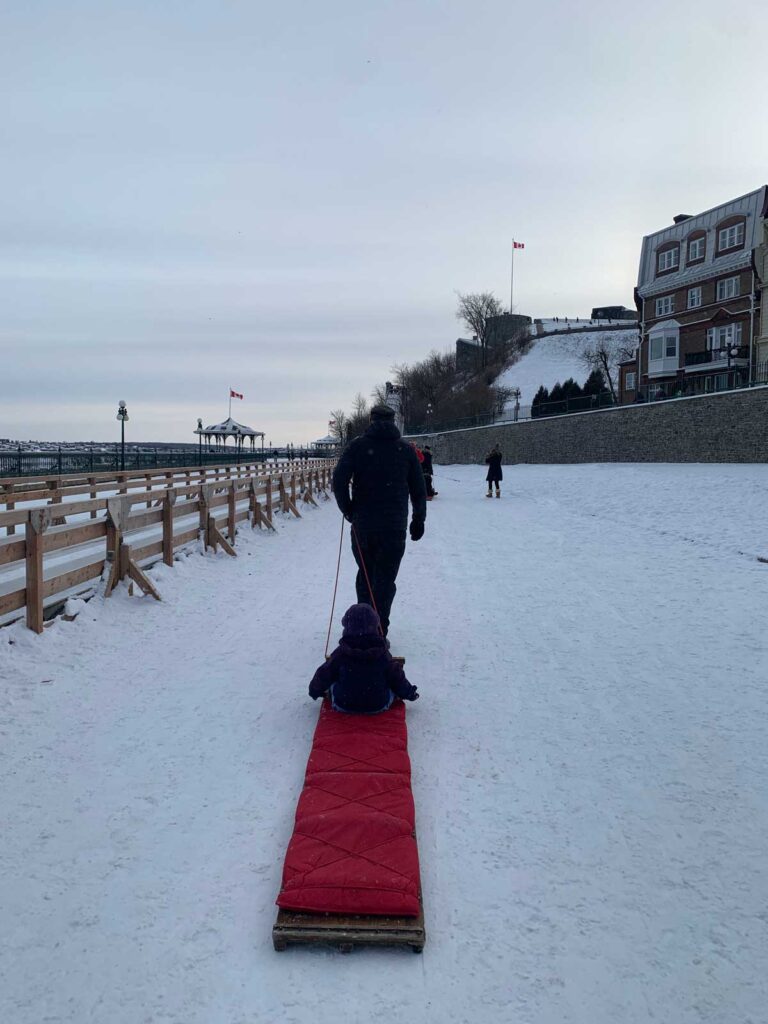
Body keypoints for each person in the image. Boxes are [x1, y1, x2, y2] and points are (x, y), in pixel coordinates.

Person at [332, 404, 427, 638]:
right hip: (394, 527)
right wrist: (418, 518)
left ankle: (363, 629)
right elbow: (418, 487)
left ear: (371, 420)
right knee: (385, 579)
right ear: (393, 421)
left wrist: (348, 510)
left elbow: (339, 480)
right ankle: (378, 630)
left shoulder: (358, 447)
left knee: (365, 575)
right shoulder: (405, 450)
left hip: (363, 525)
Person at [308, 604, 419, 713]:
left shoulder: (341, 653)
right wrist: (409, 693)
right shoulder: (382, 653)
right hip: (378, 705)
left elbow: (324, 673)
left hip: (344, 704)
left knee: (333, 680)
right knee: (390, 685)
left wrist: (314, 690)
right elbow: (397, 677)